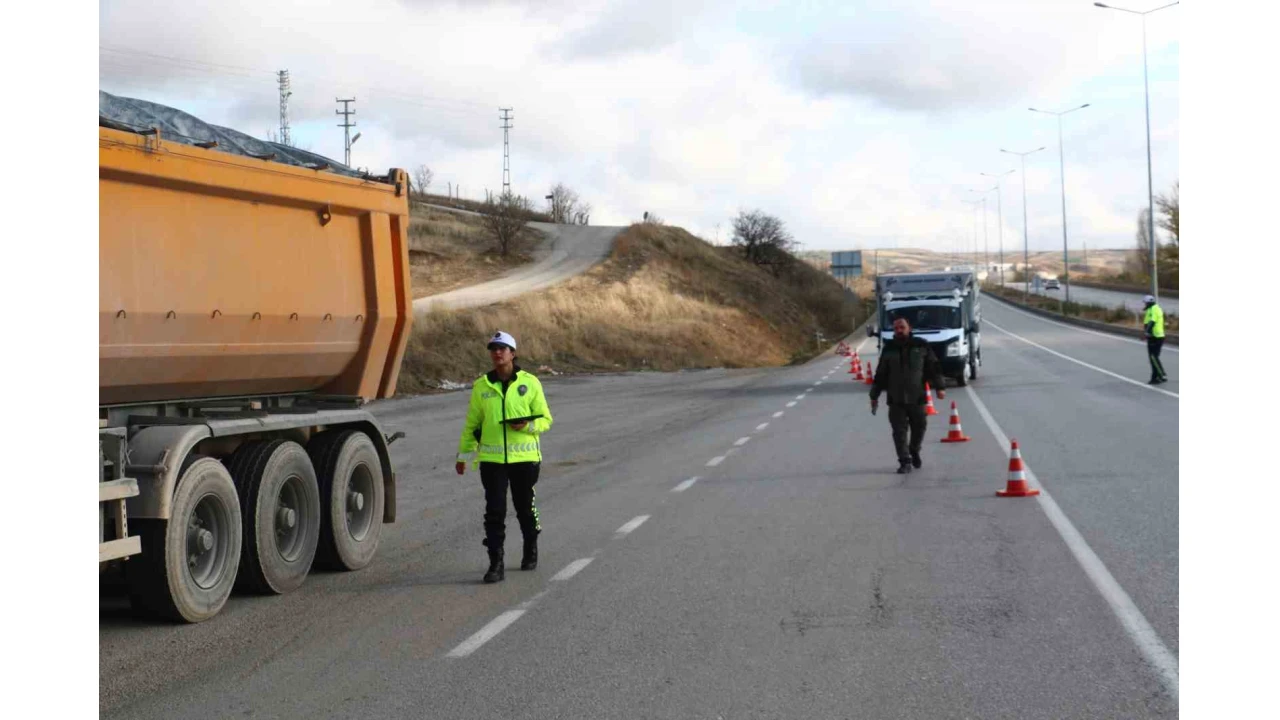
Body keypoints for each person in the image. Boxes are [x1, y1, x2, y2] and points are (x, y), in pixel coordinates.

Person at [455, 331, 554, 583]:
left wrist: (528, 426)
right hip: (492, 461)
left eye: (502, 348)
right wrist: (464, 456)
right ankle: (495, 563)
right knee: (495, 511)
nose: (497, 353)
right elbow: (472, 424)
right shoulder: (482, 387)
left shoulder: (530, 383)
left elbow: (545, 419)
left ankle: (530, 545)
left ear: (513, 353)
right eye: (493, 349)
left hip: (525, 459)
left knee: (524, 508)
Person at [869, 317, 947, 474]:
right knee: (899, 432)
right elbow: (881, 373)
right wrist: (874, 395)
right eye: (896, 328)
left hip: (917, 397)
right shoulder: (889, 348)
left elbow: (933, 366)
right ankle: (904, 461)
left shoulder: (921, 345)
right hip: (895, 399)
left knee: (920, 427)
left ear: (909, 328)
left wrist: (940, 387)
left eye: (902, 327)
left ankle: (914, 450)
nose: (899, 330)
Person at [1142, 295, 1168, 385]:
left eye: (1145, 303)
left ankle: (1161, 375)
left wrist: (1147, 332)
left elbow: (1152, 322)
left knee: (1153, 357)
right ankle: (1155, 377)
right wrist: (1145, 333)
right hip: (1151, 336)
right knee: (1152, 358)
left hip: (1157, 336)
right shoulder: (1149, 310)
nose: (1144, 304)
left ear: (1149, 303)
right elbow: (1146, 323)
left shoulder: (1155, 309)